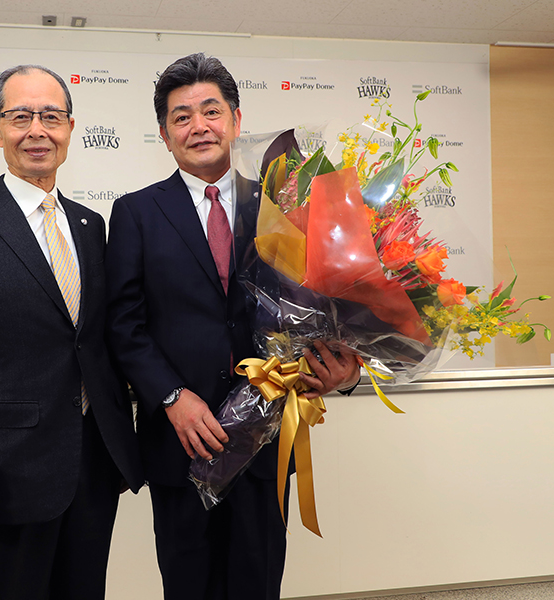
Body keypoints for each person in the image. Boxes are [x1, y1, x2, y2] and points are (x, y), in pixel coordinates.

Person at [104, 53, 360, 600]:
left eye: (211, 111)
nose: (199, 126)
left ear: (237, 121)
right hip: (183, 442)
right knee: (187, 585)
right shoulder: (135, 213)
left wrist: (346, 369)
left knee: (258, 582)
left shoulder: (287, 205)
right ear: (164, 135)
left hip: (266, 441)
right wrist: (171, 397)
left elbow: (331, 313)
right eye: (181, 116)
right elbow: (123, 324)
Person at [0, 64, 143, 600]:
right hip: (10, 473)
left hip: (94, 464)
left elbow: (97, 341)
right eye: (21, 117)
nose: (36, 130)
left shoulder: (91, 225)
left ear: (70, 128)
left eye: (51, 116)